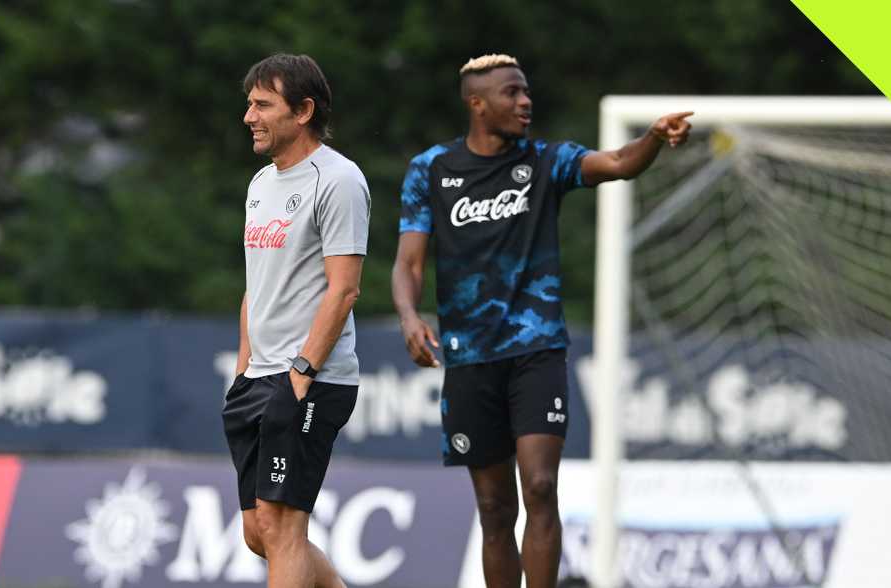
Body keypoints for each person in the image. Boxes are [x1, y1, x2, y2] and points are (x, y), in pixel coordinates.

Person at [392, 54, 691, 588]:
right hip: (470, 358)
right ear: (477, 104)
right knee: (494, 508)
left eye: (526, 91)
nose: (525, 101)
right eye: (511, 93)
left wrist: (651, 138)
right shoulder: (431, 169)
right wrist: (410, 316)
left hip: (537, 350)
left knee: (540, 486)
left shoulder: (547, 161)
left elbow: (619, 162)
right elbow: (409, 263)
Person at [223, 53, 370, 588]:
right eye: (250, 104)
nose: (249, 117)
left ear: (303, 111)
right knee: (258, 533)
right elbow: (255, 284)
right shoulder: (261, 183)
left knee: (284, 528)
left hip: (310, 377)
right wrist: (243, 370)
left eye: (263, 105)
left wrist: (301, 372)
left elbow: (344, 288)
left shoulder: (339, 180)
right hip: (257, 377)